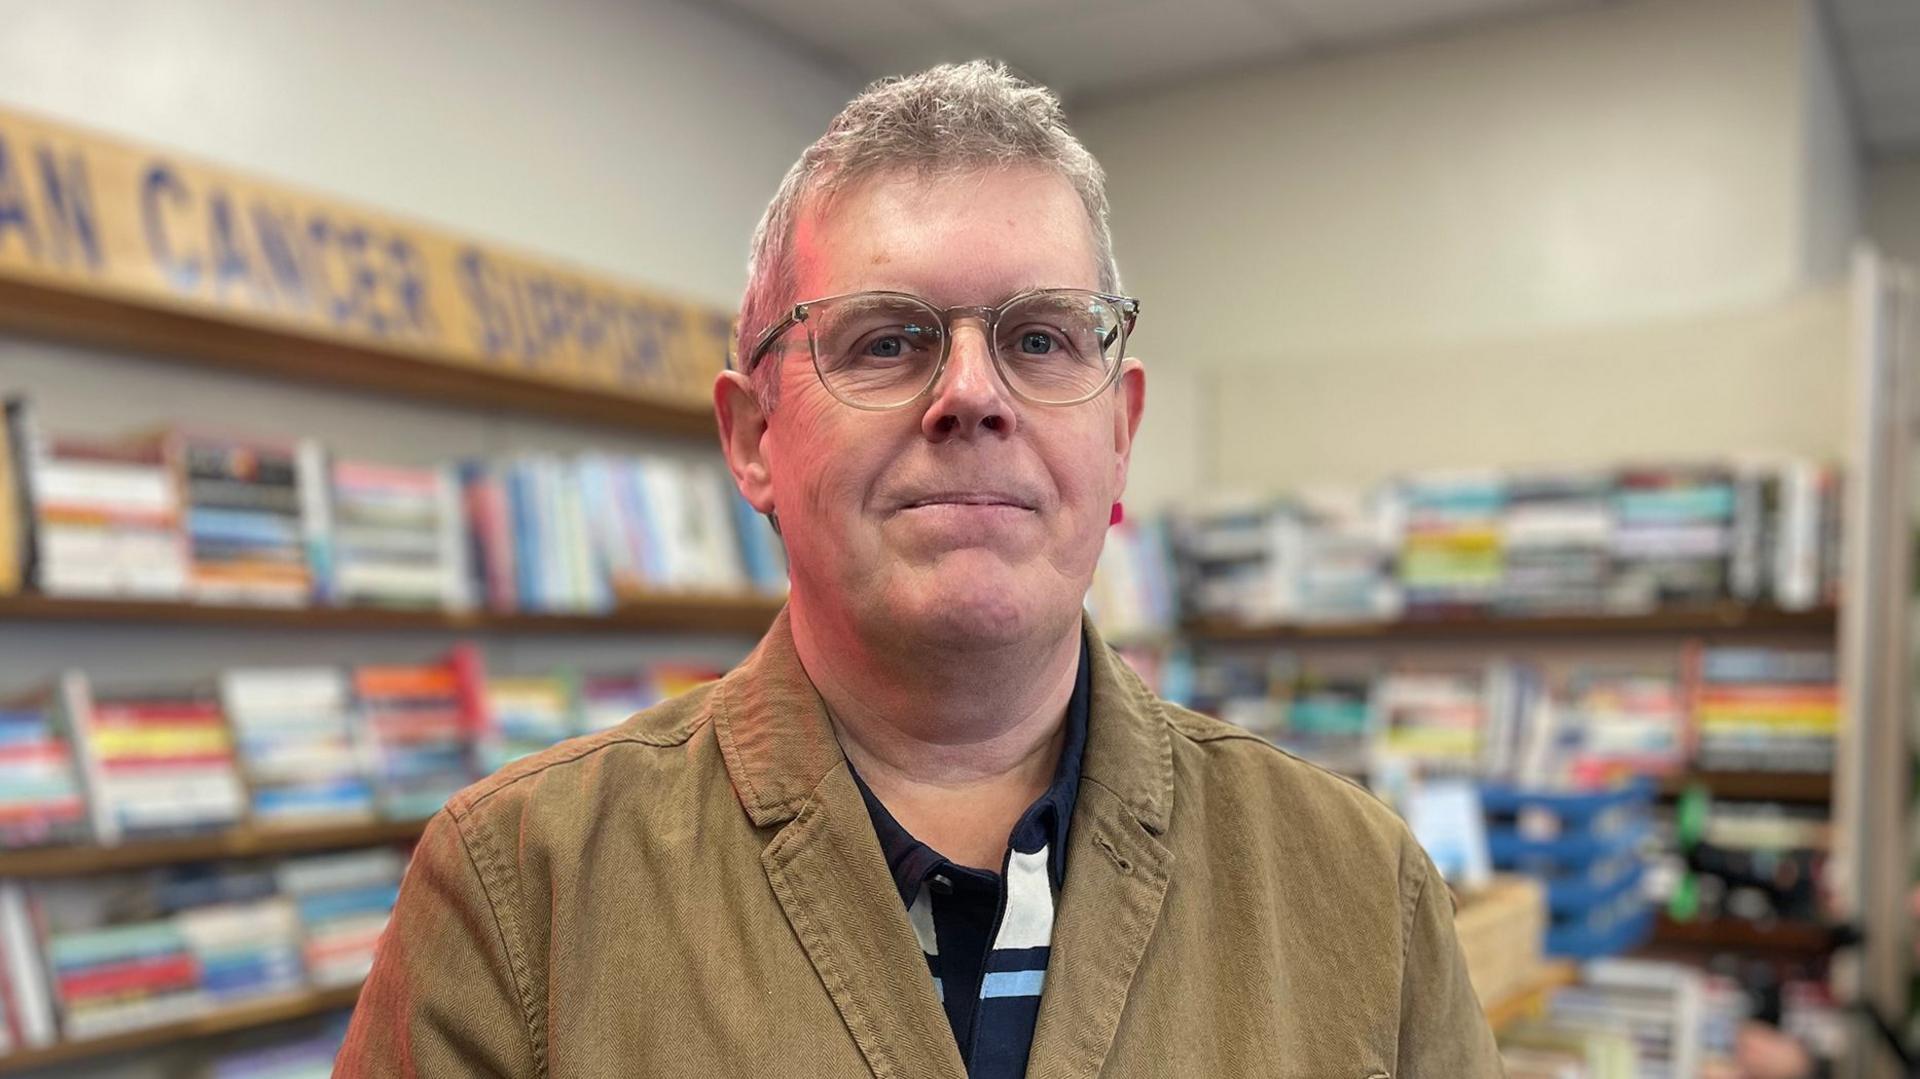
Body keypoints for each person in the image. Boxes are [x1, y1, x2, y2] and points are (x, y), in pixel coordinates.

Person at [337, 61, 1500, 1077]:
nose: (974, 395)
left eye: (1041, 337)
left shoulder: (1360, 888)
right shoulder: (522, 886)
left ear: (1120, 437)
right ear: (753, 438)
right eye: (887, 338)